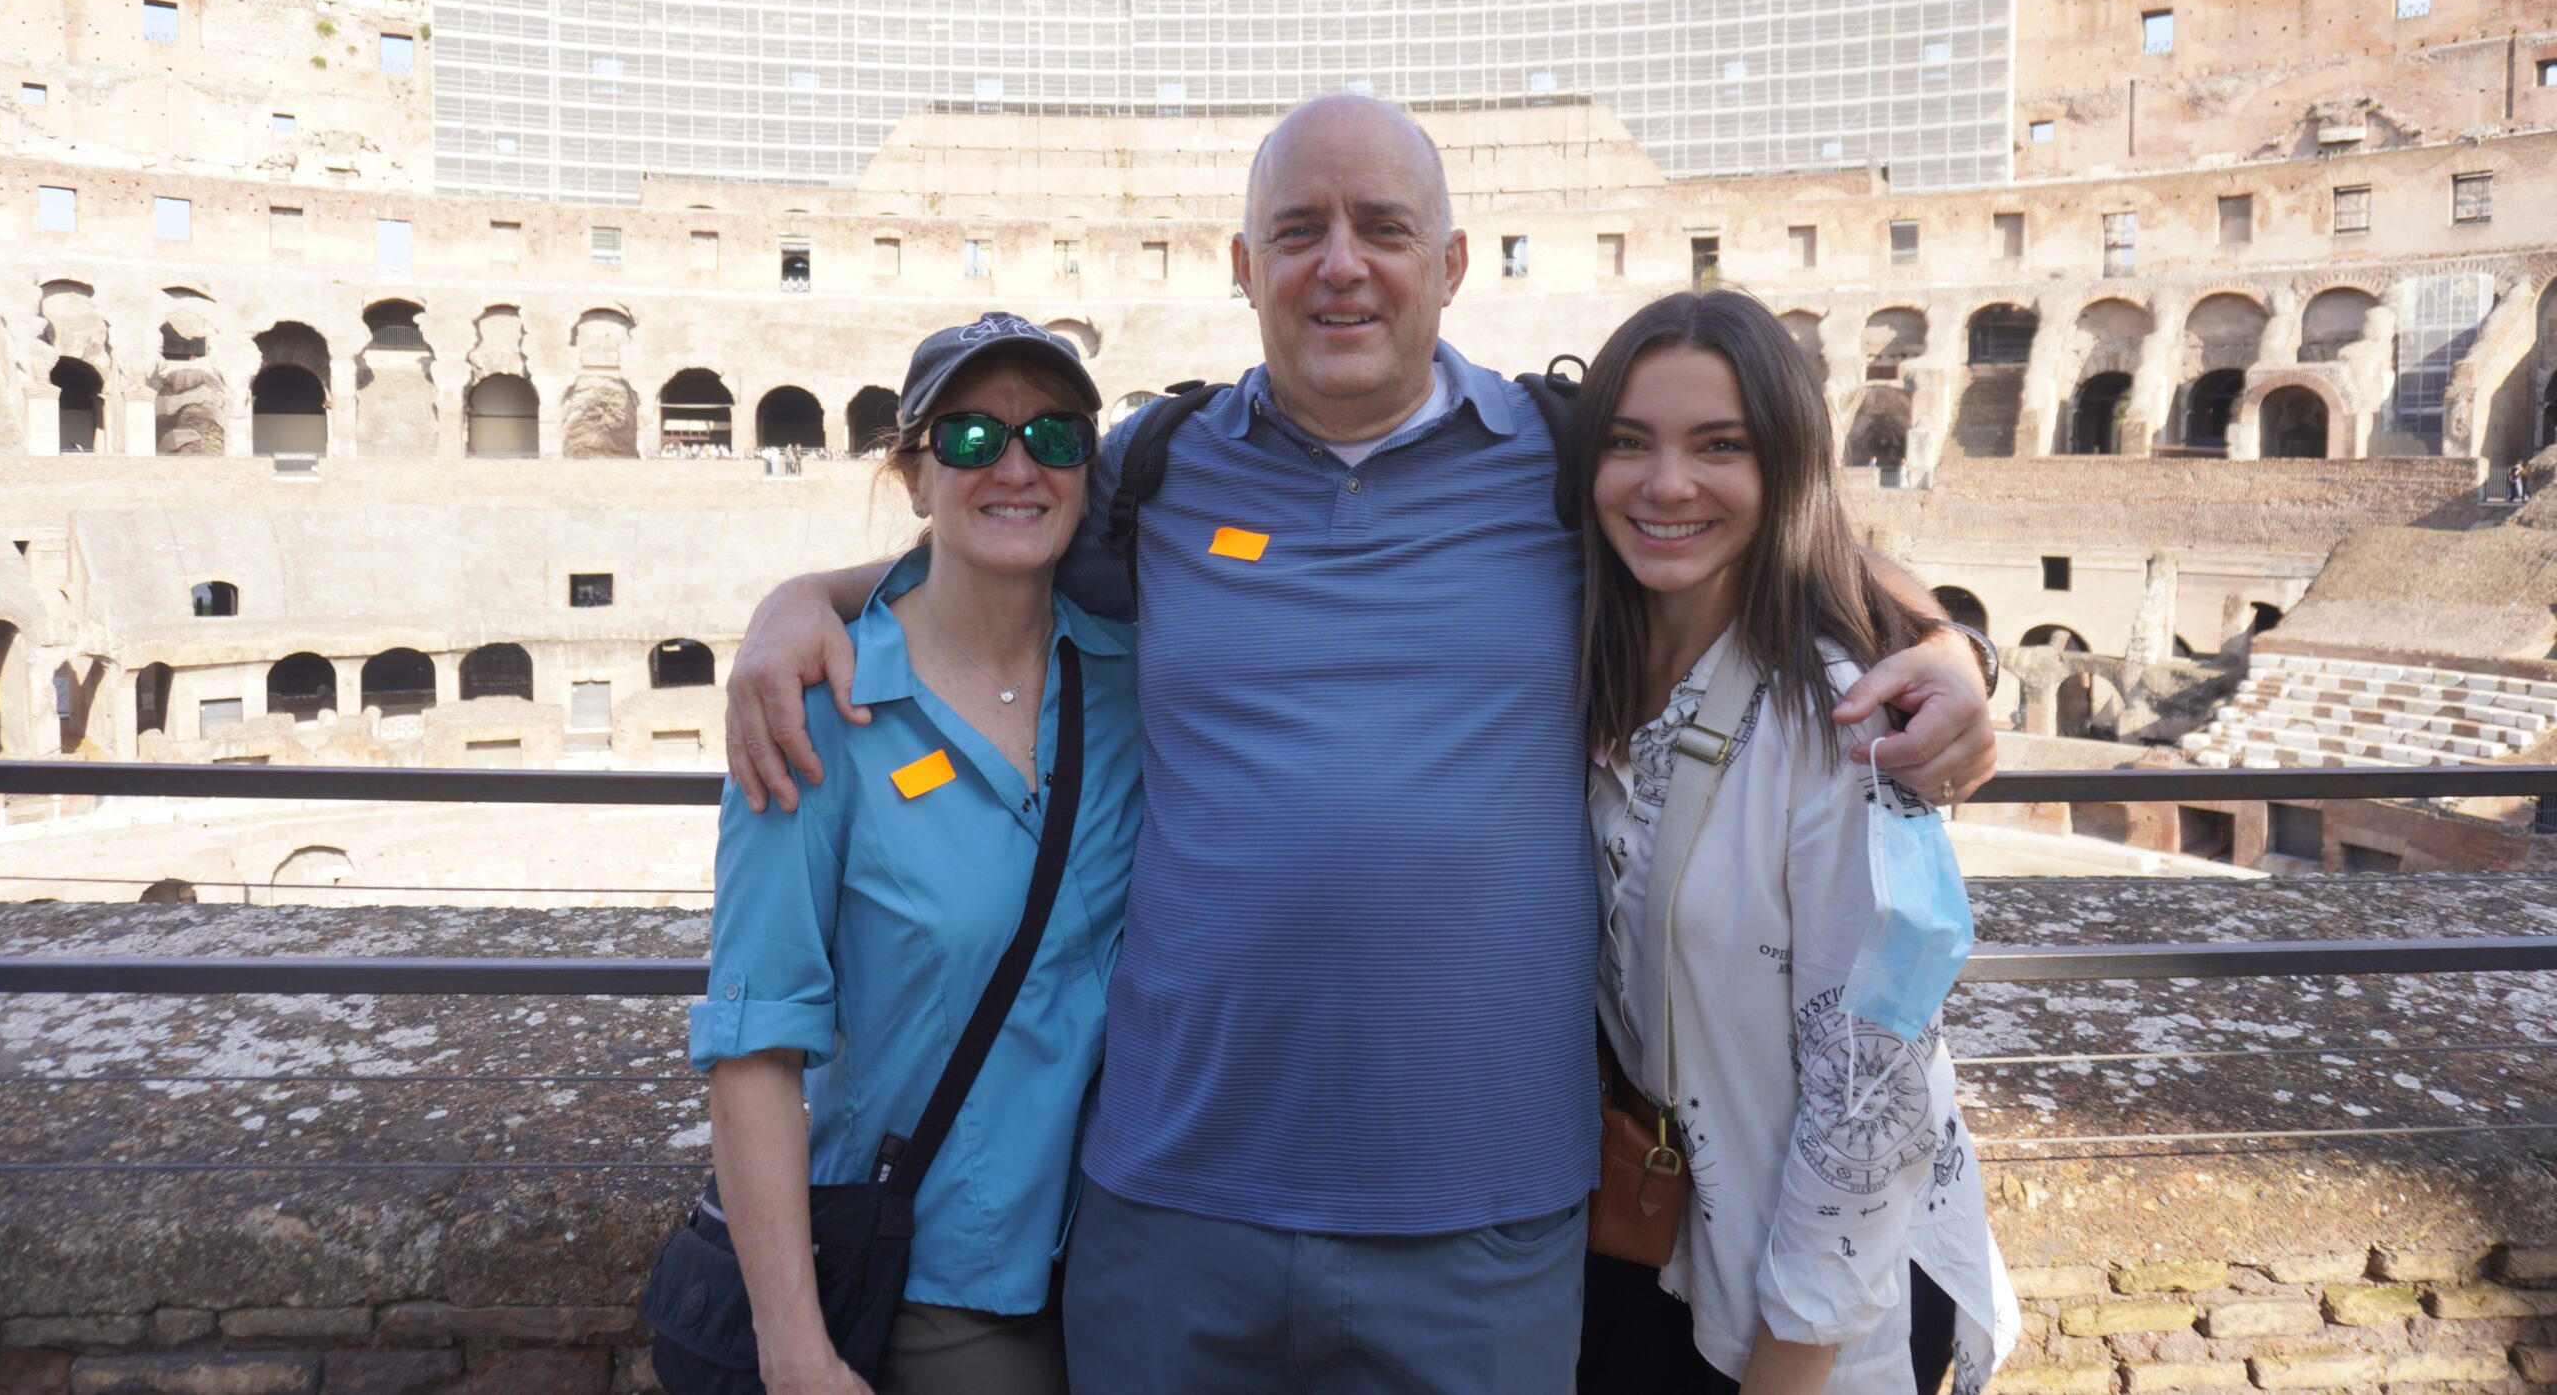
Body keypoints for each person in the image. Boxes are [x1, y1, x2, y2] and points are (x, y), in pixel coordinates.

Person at [724, 95, 1997, 1393]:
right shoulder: (1156, 472)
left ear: (1450, 264)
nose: (1342, 262)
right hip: (1175, 1206)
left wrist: (1954, 645)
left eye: (1384, 227)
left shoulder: (1564, 461)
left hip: (1483, 1218)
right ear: (1244, 268)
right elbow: (986, 526)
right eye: (1298, 229)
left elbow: (1773, 532)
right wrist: (802, 601)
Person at [686, 315, 1143, 1395]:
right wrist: (793, 1346)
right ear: (913, 473)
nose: (1019, 466)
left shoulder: (1131, 684)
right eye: (973, 439)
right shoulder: (816, 720)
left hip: (1134, 1259)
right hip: (944, 1280)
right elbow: (756, 1042)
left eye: (1056, 438)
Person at [1571, 290, 2013, 1394]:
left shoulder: (1841, 719)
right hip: (1660, 1244)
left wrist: (1790, 1362)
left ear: (1784, 470)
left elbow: (1872, 1098)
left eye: (1720, 447)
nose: (1665, 483)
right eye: (1629, 443)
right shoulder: (1594, 667)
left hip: (1816, 1308)